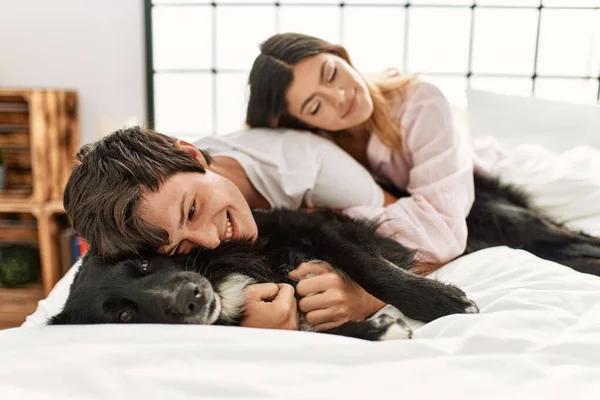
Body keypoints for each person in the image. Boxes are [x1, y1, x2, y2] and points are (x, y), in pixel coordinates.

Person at [51, 126, 399, 332]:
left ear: (192, 156)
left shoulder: (314, 170)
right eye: (175, 248)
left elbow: (432, 238)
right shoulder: (156, 220)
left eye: (192, 209)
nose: (209, 240)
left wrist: (364, 294)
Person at [245, 32, 485, 329]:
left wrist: (330, 219)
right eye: (315, 107)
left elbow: (444, 233)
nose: (339, 97)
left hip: (480, 177)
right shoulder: (311, 151)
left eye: (331, 74)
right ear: (303, 122)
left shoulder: (422, 103)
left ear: (341, 55)